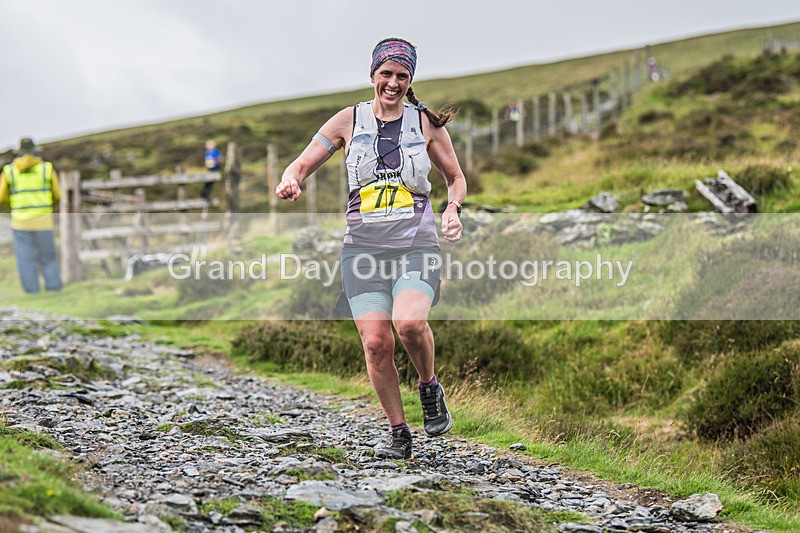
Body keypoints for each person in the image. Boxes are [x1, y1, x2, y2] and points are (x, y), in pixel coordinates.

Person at [276, 37, 466, 460]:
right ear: (372, 75)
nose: (393, 83)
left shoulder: (426, 124)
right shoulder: (348, 120)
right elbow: (301, 163)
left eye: (402, 76)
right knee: (377, 342)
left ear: (410, 80)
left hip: (415, 243)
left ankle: (429, 386)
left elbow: (455, 177)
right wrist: (291, 179)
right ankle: (399, 433)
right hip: (361, 249)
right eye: (386, 74)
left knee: (409, 323)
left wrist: (453, 209)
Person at [0, 137, 63, 293]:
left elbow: (1, 197)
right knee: (48, 255)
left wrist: (12, 203)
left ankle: (31, 290)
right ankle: (53, 287)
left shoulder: (9, 170)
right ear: (35, 151)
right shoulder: (46, 168)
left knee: (25, 258)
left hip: (20, 221)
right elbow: (57, 194)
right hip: (43, 219)